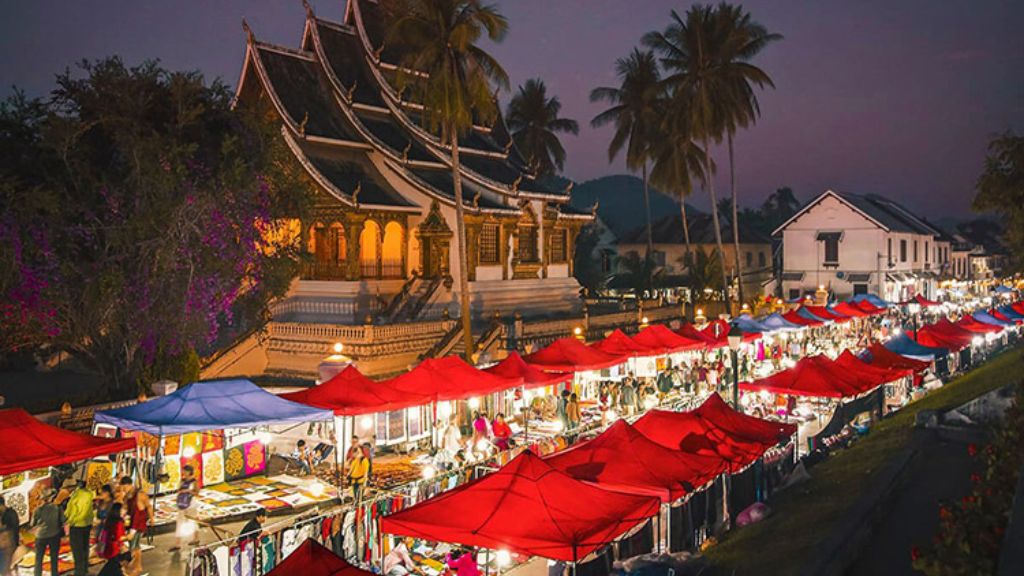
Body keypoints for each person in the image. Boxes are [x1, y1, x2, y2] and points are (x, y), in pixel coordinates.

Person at [65, 479, 94, 576]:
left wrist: (69, 522)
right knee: (85, 549)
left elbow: (74, 512)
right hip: (87, 525)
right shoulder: (88, 494)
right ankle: (84, 570)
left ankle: (79, 573)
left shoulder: (77, 496)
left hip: (77, 526)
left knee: (77, 552)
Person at [32, 489, 63, 576]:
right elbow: (63, 520)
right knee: (54, 557)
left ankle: (37, 574)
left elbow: (32, 524)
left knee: (39, 558)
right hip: (54, 535)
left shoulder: (37, 510)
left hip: (41, 536)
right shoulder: (57, 508)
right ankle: (54, 574)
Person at [169, 465, 199, 552]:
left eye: (185, 471)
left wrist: (187, 491)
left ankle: (196, 538)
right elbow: (179, 490)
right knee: (179, 522)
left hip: (191, 504)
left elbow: (196, 492)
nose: (184, 473)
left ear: (189, 472)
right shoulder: (182, 481)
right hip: (182, 504)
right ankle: (177, 543)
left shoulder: (194, 482)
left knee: (193, 521)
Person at [120, 477, 152, 551]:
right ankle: (137, 561)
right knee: (135, 546)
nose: (123, 490)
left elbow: (148, 506)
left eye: (124, 487)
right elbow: (124, 508)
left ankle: (134, 561)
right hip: (130, 523)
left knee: (133, 547)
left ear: (130, 485)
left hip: (138, 524)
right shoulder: (126, 496)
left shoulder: (140, 494)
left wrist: (151, 518)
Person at [0, 495, 20, 576]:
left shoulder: (10, 514)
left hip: (10, 546)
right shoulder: (6, 514)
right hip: (7, 546)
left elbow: (13, 528)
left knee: (9, 567)